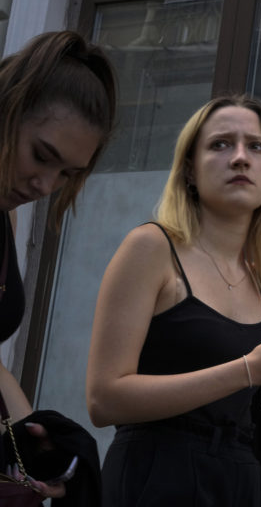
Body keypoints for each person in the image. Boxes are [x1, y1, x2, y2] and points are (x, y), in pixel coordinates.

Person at [86, 94, 261, 506]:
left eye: (256, 146)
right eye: (220, 144)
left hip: (239, 483)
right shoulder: (151, 248)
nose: (240, 158)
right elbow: (103, 399)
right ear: (189, 169)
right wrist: (246, 370)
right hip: (157, 478)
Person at [0, 30, 117, 502]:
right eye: (41, 156)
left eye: (67, 173)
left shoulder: (6, 218)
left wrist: (33, 441)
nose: (45, 185)